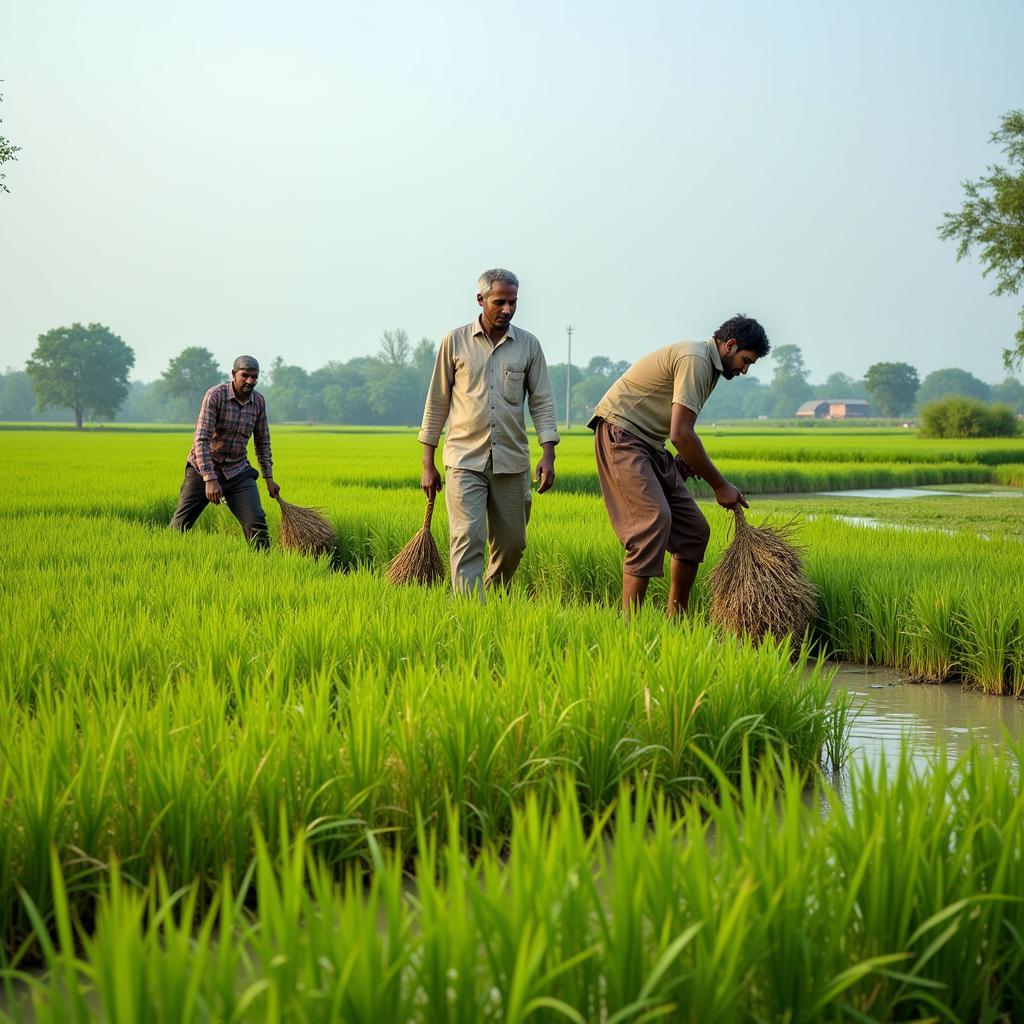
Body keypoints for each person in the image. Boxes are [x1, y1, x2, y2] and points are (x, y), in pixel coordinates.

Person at [588, 314, 770, 618]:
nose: (744, 369)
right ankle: (628, 627)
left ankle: (678, 621)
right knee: (652, 521)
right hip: (623, 434)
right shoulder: (696, 359)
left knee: (694, 531)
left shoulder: (709, 367)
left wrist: (685, 460)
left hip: (650, 444)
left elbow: (679, 431)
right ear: (730, 344)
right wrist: (720, 485)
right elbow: (681, 433)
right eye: (745, 360)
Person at [418, 268, 559, 598]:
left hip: (512, 460)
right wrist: (428, 463)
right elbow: (436, 401)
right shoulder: (454, 342)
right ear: (481, 300)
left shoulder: (528, 346)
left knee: (512, 544)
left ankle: (493, 599)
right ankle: (470, 612)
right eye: (499, 302)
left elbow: (542, 401)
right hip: (464, 459)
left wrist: (548, 453)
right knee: (467, 535)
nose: (507, 309)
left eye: (512, 302)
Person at [169, 355, 281, 548]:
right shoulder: (216, 396)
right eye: (245, 375)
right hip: (203, 468)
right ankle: (165, 555)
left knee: (257, 522)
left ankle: (264, 564)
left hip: (238, 470)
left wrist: (269, 478)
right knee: (181, 524)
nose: (250, 381)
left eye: (254, 377)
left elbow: (262, 442)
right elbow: (201, 439)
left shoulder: (259, 402)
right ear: (233, 374)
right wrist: (210, 479)